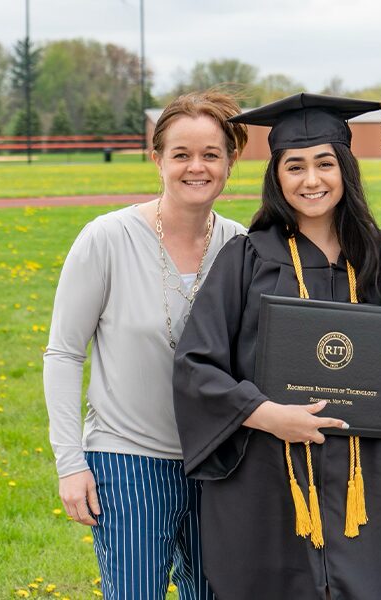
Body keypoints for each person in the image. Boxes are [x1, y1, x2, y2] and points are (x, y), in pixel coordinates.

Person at [172, 93, 381, 600]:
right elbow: (196, 366)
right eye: (294, 166)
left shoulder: (377, 261)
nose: (311, 180)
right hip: (267, 474)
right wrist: (264, 414)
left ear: (345, 168)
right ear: (276, 176)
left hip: (363, 479)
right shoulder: (246, 259)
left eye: (325, 164)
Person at [43, 90, 248, 599]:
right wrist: (70, 463)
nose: (195, 167)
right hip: (129, 458)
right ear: (156, 158)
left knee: (215, 591)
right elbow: (64, 354)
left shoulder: (241, 247)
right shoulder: (106, 239)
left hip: (219, 462)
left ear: (230, 162)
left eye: (210, 155)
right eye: (181, 154)